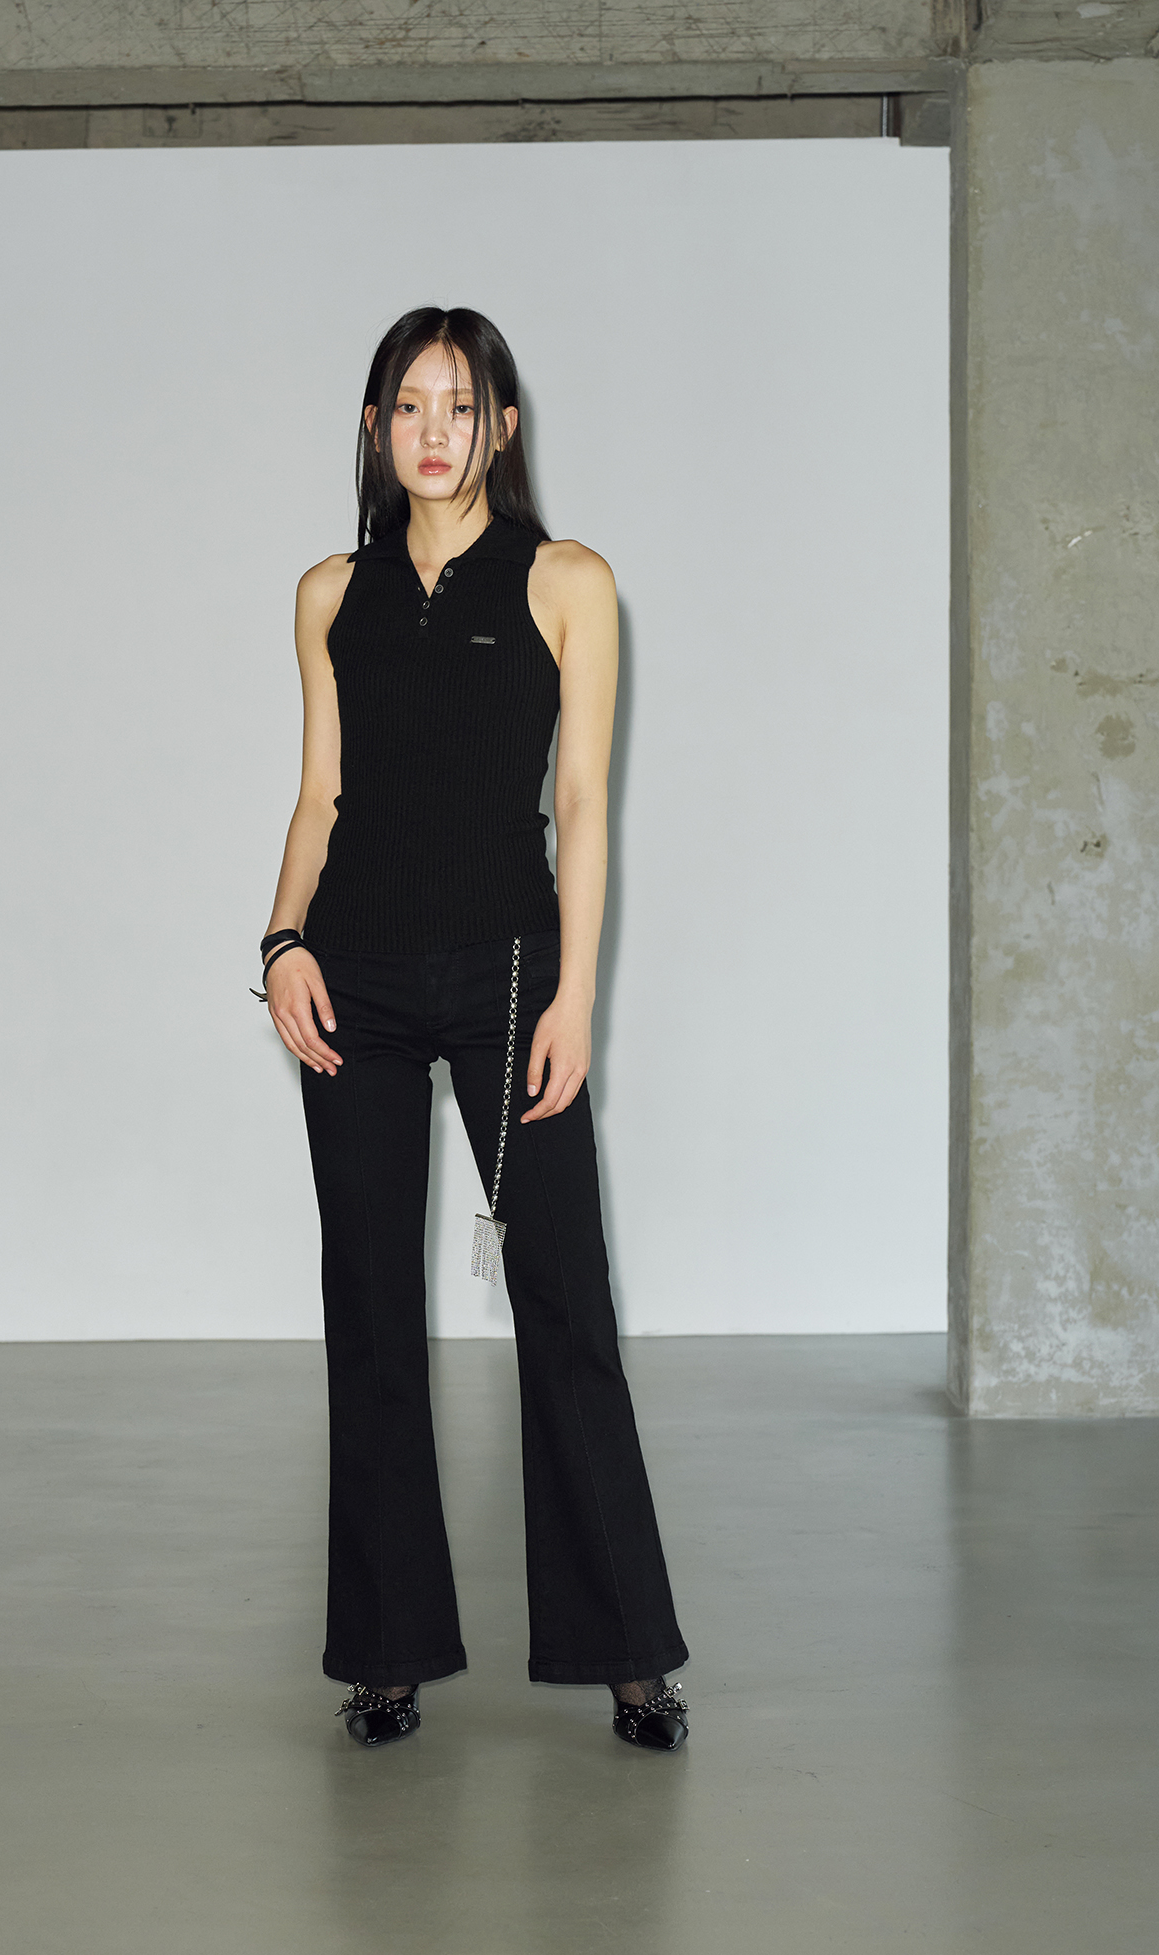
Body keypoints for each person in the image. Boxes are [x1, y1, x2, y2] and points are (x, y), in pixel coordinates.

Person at [256, 306, 688, 1754]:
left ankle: (625, 1653)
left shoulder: (568, 581)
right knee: (370, 1311)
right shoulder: (330, 592)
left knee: (565, 1305)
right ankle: (384, 1653)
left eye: (459, 404)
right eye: (407, 404)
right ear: (377, 428)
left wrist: (575, 995)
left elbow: (585, 803)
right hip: (355, 982)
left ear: (502, 425)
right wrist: (280, 944)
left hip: (512, 978)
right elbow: (319, 795)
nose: (432, 430)